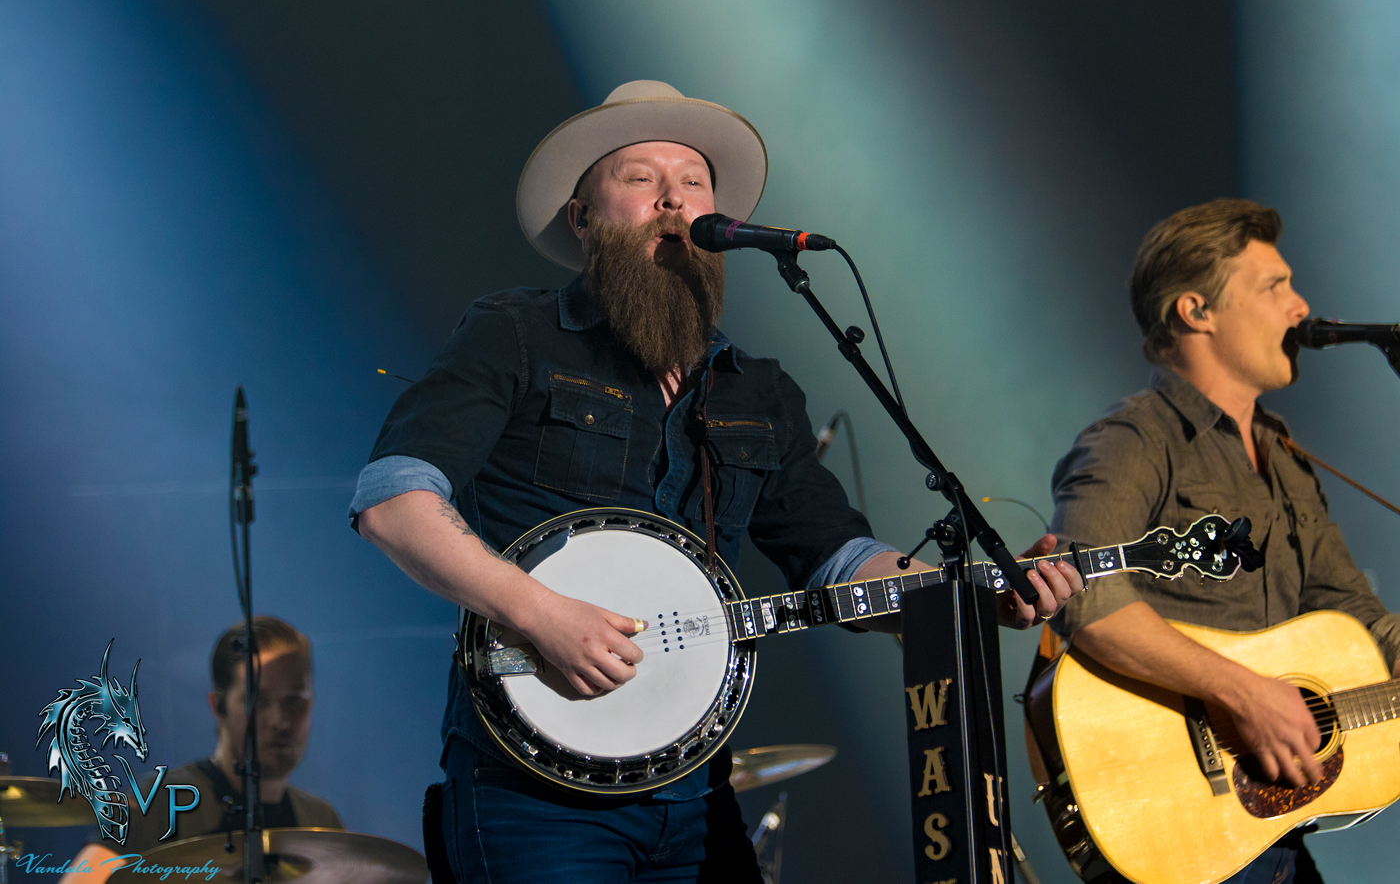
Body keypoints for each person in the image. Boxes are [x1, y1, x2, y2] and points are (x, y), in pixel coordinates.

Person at [350, 79, 1082, 883]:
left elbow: (839, 558)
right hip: (532, 792)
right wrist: (540, 612)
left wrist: (965, 596)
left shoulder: (758, 391)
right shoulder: (516, 334)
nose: (674, 198)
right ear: (583, 217)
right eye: (641, 177)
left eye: (693, 181)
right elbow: (393, 499)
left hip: (697, 791)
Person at [1048, 198, 1400, 883]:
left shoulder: (1285, 457)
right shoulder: (1135, 440)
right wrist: (1242, 693)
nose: (1301, 307)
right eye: (1275, 286)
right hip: (1180, 825)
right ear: (1196, 311)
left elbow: (1355, 615)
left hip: (1268, 831)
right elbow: (1080, 589)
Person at [61, 616, 342, 882]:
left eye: (295, 701)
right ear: (218, 706)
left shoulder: (320, 821)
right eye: (258, 701)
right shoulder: (162, 804)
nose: (280, 720)